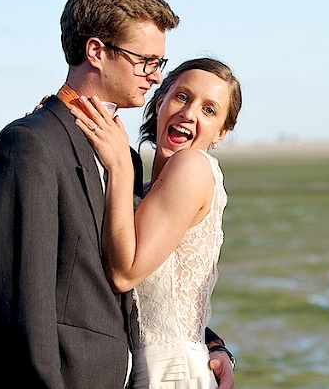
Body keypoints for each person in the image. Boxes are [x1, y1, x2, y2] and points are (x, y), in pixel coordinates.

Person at [0, 0, 234, 388]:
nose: (153, 75)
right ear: (96, 51)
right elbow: (21, 307)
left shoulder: (123, 157)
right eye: (145, 60)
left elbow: (143, 290)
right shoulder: (31, 144)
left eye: (158, 64)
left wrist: (210, 344)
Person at [70, 57, 241, 389]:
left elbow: (124, 273)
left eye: (209, 110)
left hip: (170, 375)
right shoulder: (149, 190)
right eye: (182, 97)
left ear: (221, 132)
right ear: (160, 101)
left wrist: (120, 166)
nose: (189, 113)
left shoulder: (192, 166)